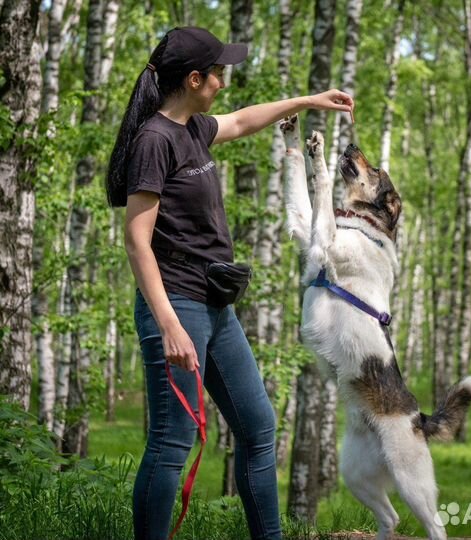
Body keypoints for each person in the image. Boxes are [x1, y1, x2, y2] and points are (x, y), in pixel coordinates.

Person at [106, 26, 354, 540]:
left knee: (258, 428)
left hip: (215, 307)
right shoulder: (155, 141)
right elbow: (136, 241)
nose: (223, 81)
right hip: (177, 306)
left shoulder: (192, 128)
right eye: (217, 72)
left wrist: (310, 99)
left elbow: (242, 120)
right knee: (171, 444)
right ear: (194, 78)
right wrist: (169, 325)